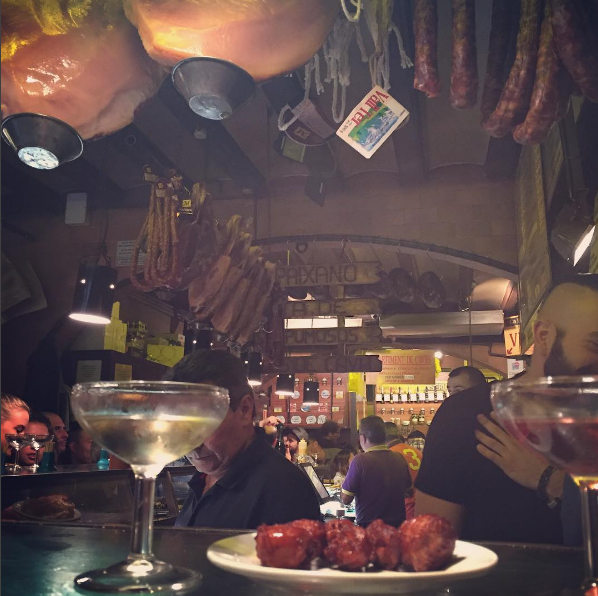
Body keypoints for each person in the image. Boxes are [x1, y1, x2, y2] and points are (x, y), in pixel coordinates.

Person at [415, 276, 598, 544]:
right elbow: (430, 545)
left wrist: (550, 481)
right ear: (544, 336)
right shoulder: (465, 415)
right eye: (595, 345)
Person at [165, 350, 320, 529]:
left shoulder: (285, 489)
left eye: (203, 424)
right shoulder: (206, 476)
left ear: (244, 410)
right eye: (180, 427)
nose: (192, 443)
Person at [341, 416, 412, 528]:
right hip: (397, 526)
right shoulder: (399, 458)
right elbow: (408, 491)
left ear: (362, 438)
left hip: (369, 527)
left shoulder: (360, 460)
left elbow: (346, 499)